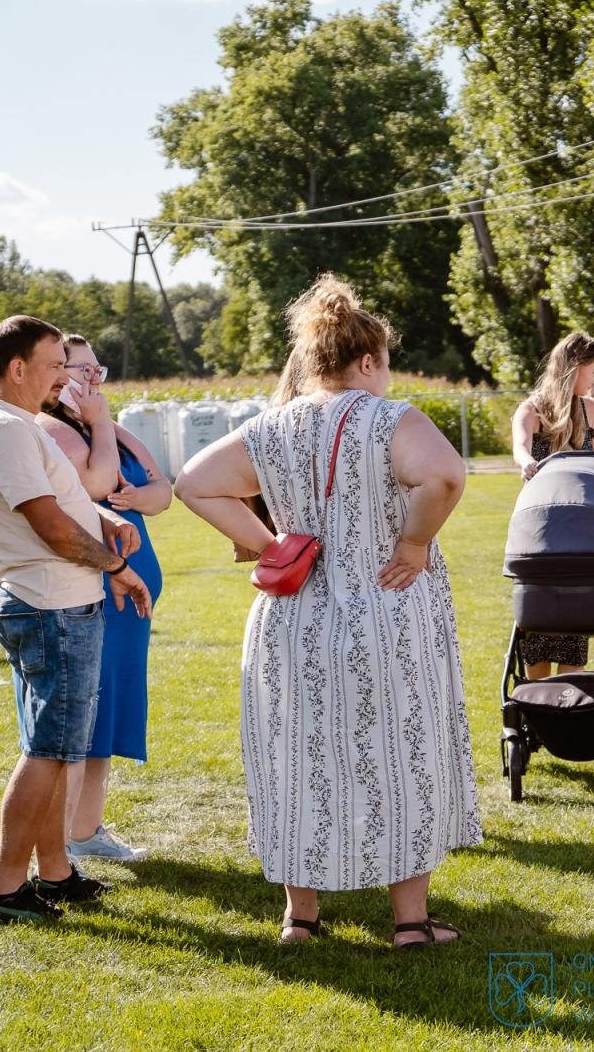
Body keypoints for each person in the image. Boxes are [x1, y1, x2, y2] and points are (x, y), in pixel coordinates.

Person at [175, 273, 482, 947]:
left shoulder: (272, 426)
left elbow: (194, 483)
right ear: (367, 360)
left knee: (298, 754)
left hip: (294, 620)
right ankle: (409, 924)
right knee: (402, 754)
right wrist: (414, 539)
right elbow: (447, 474)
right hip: (386, 609)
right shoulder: (388, 417)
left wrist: (272, 544)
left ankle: (302, 918)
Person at [0, 314, 152, 925]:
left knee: (58, 748)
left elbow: (59, 501)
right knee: (47, 752)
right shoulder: (6, 430)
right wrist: (114, 566)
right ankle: (7, 890)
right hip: (52, 606)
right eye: (53, 365)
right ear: (18, 369)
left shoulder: (11, 425)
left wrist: (101, 518)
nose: (63, 377)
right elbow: (47, 523)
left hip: (52, 602)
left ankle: (56, 872)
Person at [39, 335, 169, 864]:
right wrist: (97, 425)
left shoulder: (113, 430)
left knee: (110, 713)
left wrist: (143, 497)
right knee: (84, 716)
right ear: (53, 373)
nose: (94, 380)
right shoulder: (50, 431)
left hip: (131, 596)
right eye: (81, 370)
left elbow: (163, 488)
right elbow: (93, 486)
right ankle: (61, 839)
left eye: (99, 370)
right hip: (94, 586)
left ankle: (87, 829)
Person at [510, 332, 594, 678]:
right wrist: (526, 463)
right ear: (572, 368)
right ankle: (538, 703)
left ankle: (568, 699)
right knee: (538, 623)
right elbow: (521, 446)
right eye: (592, 371)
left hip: (580, 529)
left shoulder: (589, 409)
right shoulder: (532, 410)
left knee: (574, 625)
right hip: (541, 529)